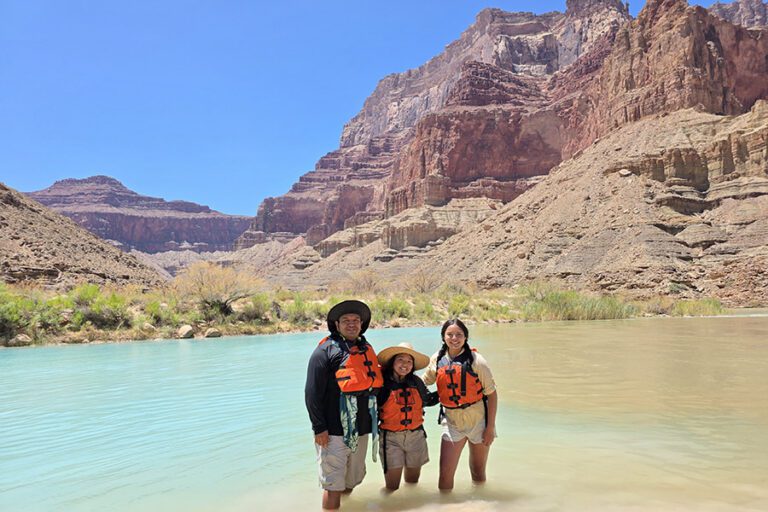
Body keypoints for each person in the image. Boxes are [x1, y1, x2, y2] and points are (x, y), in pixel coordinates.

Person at [305, 300, 384, 510]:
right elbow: (312, 393)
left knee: (352, 479)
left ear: (362, 324)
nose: (352, 324)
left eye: (356, 320)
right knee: (332, 484)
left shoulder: (367, 348)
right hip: (333, 432)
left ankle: (346, 505)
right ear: (337, 325)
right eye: (346, 321)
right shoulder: (324, 352)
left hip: (362, 429)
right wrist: (319, 428)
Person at [421, 318, 498, 491]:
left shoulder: (477, 361)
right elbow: (423, 382)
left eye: (459, 335)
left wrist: (490, 428)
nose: (454, 338)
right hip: (452, 423)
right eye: (450, 334)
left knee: (478, 473)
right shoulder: (438, 359)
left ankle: (479, 506)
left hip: (478, 421)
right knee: (445, 476)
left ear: (465, 337)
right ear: (443, 337)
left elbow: (492, 395)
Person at [376, 342, 439, 491]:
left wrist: (445, 390)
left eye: (409, 361)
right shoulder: (381, 383)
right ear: (392, 362)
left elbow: (427, 400)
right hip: (391, 438)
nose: (405, 364)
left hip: (416, 436)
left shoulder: (416, 382)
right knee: (392, 487)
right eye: (401, 360)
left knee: (412, 483)